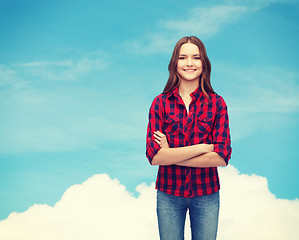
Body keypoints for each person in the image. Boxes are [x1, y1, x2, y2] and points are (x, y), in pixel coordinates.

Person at [145, 36, 232, 240]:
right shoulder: (160, 103)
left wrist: (170, 154)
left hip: (207, 194)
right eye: (183, 57)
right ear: (175, 63)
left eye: (196, 57)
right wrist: (204, 147)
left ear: (204, 63)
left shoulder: (217, 103)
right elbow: (154, 157)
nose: (190, 63)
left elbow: (222, 157)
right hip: (168, 194)